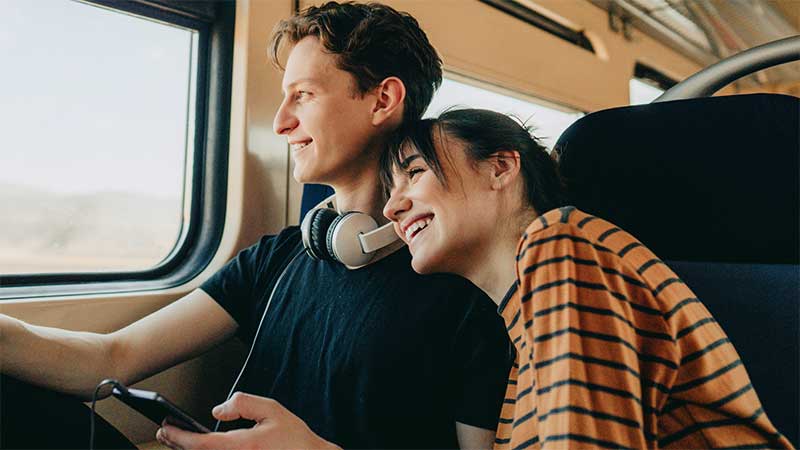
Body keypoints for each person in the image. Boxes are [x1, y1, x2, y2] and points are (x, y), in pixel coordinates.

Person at [0, 4, 511, 449]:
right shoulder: (282, 256)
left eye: (304, 95)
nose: (280, 122)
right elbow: (111, 357)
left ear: (382, 100)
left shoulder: (464, 288)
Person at [381, 108, 794, 449]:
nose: (391, 207)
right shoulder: (520, 346)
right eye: (389, 189)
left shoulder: (561, 245)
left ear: (500, 168)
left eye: (414, 172)